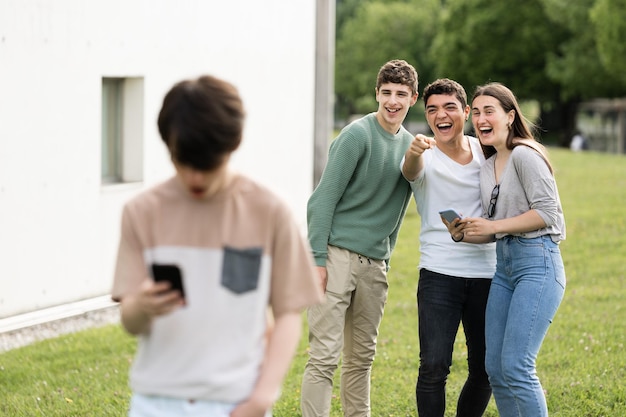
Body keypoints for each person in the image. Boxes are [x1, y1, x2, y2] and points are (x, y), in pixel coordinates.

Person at [111, 75, 323, 417]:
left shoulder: (270, 212)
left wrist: (260, 399)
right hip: (156, 403)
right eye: (184, 162)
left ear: (232, 146)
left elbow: (287, 314)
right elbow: (130, 321)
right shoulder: (141, 212)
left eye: (207, 165)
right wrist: (143, 306)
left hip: (237, 404)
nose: (196, 178)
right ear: (168, 147)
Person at [300, 59, 419, 417]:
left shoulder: (412, 147)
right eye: (386, 93)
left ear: (413, 98)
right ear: (377, 94)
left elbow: (397, 211)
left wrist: (386, 258)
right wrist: (317, 260)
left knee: (361, 360)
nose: (392, 101)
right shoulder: (356, 135)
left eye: (400, 94)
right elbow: (322, 201)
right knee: (324, 356)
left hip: (374, 266)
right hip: (336, 258)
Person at [449, 82, 566, 417]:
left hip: (537, 264)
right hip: (505, 269)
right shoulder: (488, 167)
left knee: (516, 366)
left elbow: (547, 213)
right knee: (495, 370)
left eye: (489, 111)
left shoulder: (526, 155)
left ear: (510, 116)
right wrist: (464, 233)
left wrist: (494, 227)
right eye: (476, 112)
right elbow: (493, 228)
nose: (480, 118)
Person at [401, 78, 496, 417]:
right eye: (432, 110)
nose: (441, 115)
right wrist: (412, 153)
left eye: (449, 107)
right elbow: (410, 172)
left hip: (487, 273)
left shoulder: (486, 153)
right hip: (439, 275)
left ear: (466, 112)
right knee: (434, 366)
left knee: (485, 368)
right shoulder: (422, 154)